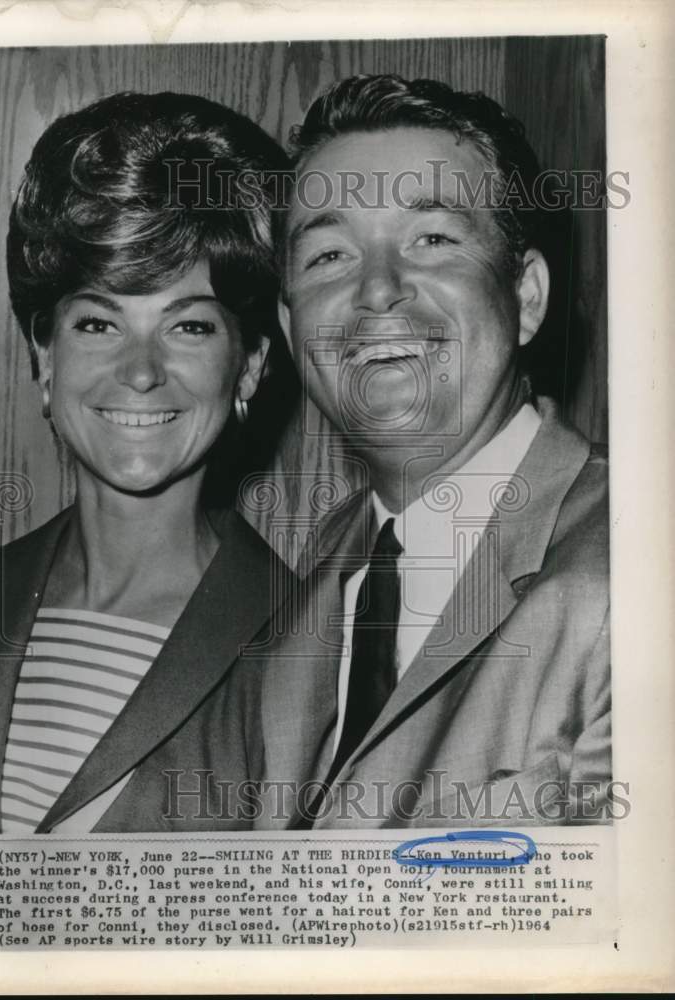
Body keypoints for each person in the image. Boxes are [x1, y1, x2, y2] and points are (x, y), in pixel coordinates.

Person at [253, 75, 610, 829]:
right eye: (329, 255)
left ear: (527, 297)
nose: (378, 289)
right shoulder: (315, 580)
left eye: (433, 240)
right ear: (290, 331)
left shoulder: (637, 570)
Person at [0, 91, 296, 834]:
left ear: (249, 366)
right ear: (45, 355)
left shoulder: (301, 645)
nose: (142, 371)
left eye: (189, 326)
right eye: (98, 322)